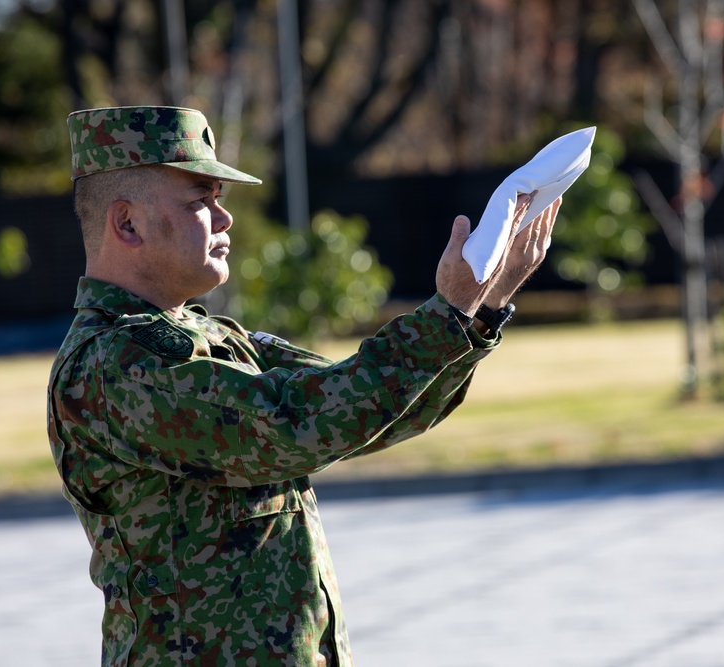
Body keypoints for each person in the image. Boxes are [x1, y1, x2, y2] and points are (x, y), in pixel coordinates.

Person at [47, 105, 560, 667]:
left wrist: (478, 311)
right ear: (126, 224)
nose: (225, 220)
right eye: (200, 202)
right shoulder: (112, 364)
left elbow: (362, 409)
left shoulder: (208, 335)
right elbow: (297, 425)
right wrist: (449, 312)